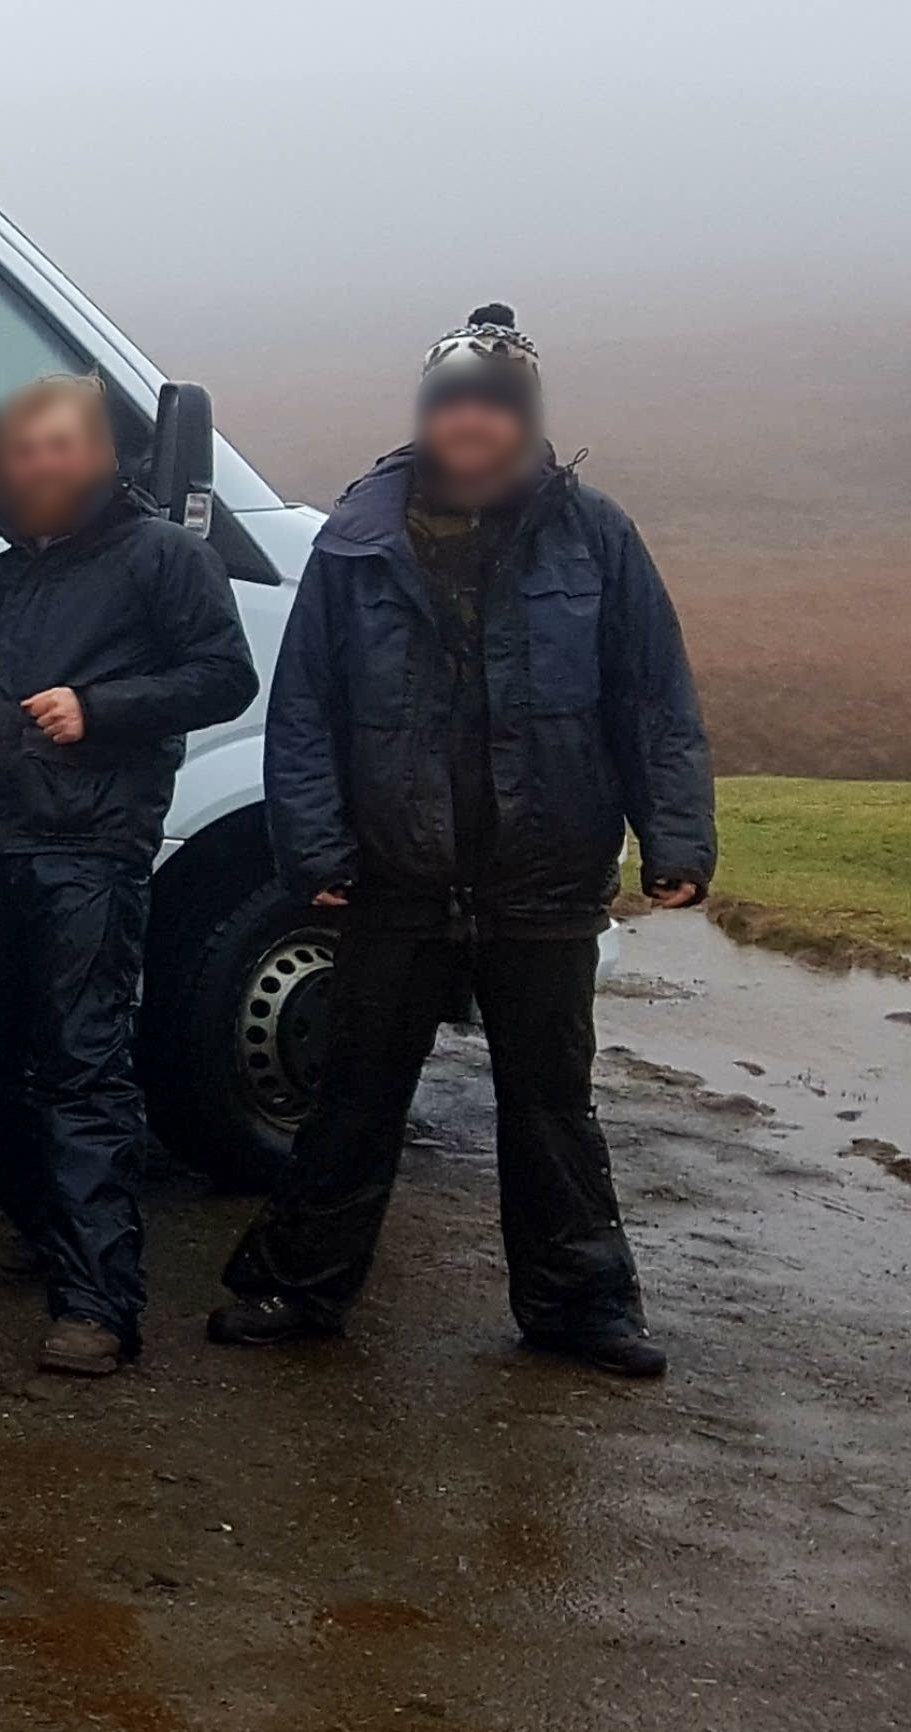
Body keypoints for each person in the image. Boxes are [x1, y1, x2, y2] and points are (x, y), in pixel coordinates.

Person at [210, 305, 712, 1376]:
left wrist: (678, 837)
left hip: (545, 876)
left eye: (497, 406)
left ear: (526, 420)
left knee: (550, 1108)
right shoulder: (355, 543)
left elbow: (652, 697)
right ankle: (298, 1289)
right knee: (352, 1098)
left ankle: (579, 1307)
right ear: (430, 418)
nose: (474, 424)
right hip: (395, 875)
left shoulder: (599, 537)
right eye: (456, 405)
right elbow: (305, 712)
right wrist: (316, 850)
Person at [0, 371, 258, 1375]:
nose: (44, 463)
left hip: (87, 854)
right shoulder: (3, 575)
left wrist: (100, 708)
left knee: (83, 1072)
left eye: (64, 443)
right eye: (26, 448)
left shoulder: (167, 556)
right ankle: (41, 1227)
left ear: (102, 455)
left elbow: (226, 677)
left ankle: (100, 1303)